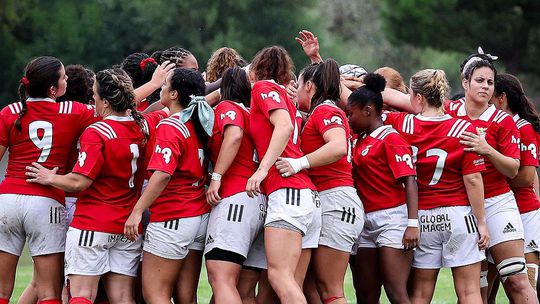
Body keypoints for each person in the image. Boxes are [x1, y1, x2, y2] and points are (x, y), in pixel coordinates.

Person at [25, 68, 148, 304]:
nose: (92, 99)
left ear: (106, 100)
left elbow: (80, 181)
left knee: (81, 296)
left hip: (93, 223)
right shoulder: (139, 127)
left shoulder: (97, 131)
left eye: (95, 94)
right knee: (123, 297)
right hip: (126, 226)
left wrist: (49, 178)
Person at [385, 69, 489, 303]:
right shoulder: (463, 129)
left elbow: (378, 97)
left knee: (421, 292)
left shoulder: (402, 124)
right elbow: (472, 179)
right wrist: (482, 222)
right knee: (469, 291)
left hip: (422, 217)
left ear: (419, 98)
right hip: (458, 215)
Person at [0, 56, 98, 304]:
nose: (67, 80)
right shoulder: (72, 111)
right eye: (64, 77)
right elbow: (115, 106)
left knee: (1, 290)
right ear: (53, 89)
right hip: (45, 203)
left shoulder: (9, 112)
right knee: (49, 292)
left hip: (8, 199)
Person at [446, 55, 537, 303]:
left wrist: (487, 149)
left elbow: (512, 169)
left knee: (517, 279)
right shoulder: (449, 111)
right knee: (476, 288)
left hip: (497, 203)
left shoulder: (503, 120)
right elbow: (403, 97)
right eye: (479, 80)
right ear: (465, 83)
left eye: (490, 81)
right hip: (462, 206)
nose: (486, 86)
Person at [276, 59, 364, 304]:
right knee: (312, 287)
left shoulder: (325, 110)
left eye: (300, 83)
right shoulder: (318, 112)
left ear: (310, 86)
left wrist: (299, 163)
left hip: (336, 201)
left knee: (331, 290)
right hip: (330, 201)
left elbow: (337, 146)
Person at [123, 68, 212, 304]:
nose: (161, 88)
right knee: (186, 296)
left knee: (155, 294)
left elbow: (162, 174)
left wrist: (137, 210)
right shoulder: (197, 123)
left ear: (173, 94)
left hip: (173, 215)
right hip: (198, 215)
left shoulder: (171, 125)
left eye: (164, 85)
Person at [246, 46, 318, 304]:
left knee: (279, 277)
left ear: (256, 70)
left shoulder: (264, 88)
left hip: (288, 191)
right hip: (304, 195)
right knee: (291, 284)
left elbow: (284, 126)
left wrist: (263, 168)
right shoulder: (288, 96)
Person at [347, 73, 418, 304]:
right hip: (365, 222)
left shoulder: (391, 139)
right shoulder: (360, 139)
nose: (348, 119)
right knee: (365, 293)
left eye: (351, 113)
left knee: (396, 292)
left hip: (392, 220)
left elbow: (409, 181)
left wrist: (412, 224)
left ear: (368, 111)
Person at [204, 66, 265, 304]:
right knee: (243, 288)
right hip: (258, 200)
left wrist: (216, 176)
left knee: (222, 279)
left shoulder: (228, 107)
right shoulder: (254, 113)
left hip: (235, 198)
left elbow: (234, 135)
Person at [490, 73, 540, 292]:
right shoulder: (495, 126)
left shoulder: (523, 128)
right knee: (486, 286)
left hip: (524, 212)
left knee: (524, 284)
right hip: (497, 212)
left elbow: (528, 176)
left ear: (501, 98)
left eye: (491, 95)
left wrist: (492, 181)